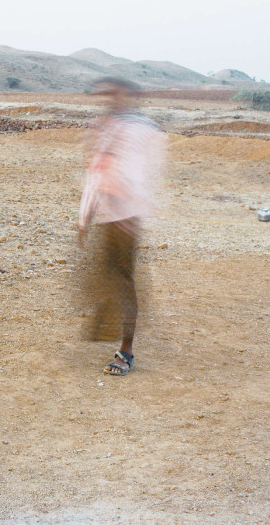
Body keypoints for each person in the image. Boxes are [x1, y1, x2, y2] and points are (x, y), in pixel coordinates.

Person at [77, 77, 165, 376]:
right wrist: (84, 215)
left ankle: (126, 351)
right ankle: (109, 331)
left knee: (124, 282)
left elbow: (139, 175)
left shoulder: (140, 130)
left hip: (126, 217)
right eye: (106, 94)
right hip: (106, 215)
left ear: (128, 95)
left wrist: (122, 203)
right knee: (106, 279)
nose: (109, 98)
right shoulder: (106, 126)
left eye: (115, 93)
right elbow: (96, 171)